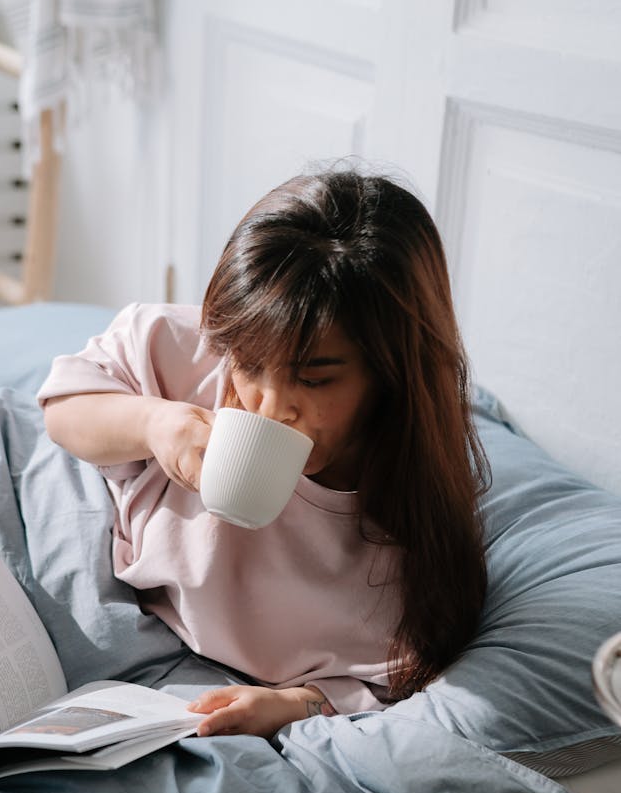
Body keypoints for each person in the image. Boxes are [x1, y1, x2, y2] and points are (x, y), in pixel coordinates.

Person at [38, 170, 489, 740]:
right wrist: (156, 423)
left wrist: (297, 704)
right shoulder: (194, 349)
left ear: (392, 373)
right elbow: (62, 406)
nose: (272, 408)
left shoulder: (405, 536)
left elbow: (389, 681)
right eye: (250, 365)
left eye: (315, 380)